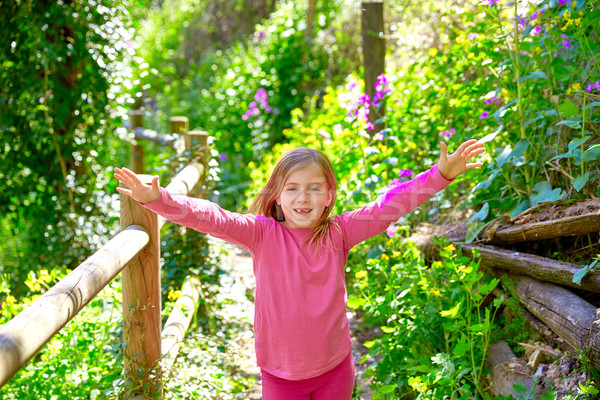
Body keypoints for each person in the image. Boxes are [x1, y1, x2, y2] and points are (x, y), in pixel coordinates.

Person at [114, 139, 485, 400]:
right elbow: (211, 216)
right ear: (276, 194)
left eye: (313, 189)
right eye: (292, 189)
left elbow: (391, 205)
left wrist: (441, 174)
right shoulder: (261, 234)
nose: (302, 198)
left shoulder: (340, 232)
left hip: (336, 370)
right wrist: (158, 199)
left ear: (329, 195)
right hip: (280, 376)